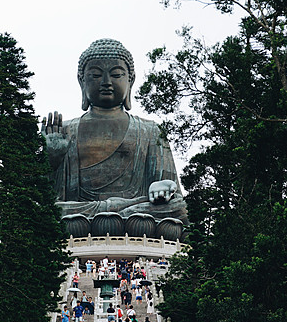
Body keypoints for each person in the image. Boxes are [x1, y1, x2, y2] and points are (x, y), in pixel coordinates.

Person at [42, 39, 189, 228]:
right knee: (44, 211)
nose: (106, 82)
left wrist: (162, 187)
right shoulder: (65, 130)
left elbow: (172, 193)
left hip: (136, 211)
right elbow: (43, 194)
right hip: (81, 212)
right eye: (95, 75)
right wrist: (51, 161)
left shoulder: (150, 131)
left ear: (131, 80)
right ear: (81, 80)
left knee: (178, 207)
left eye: (116, 75)